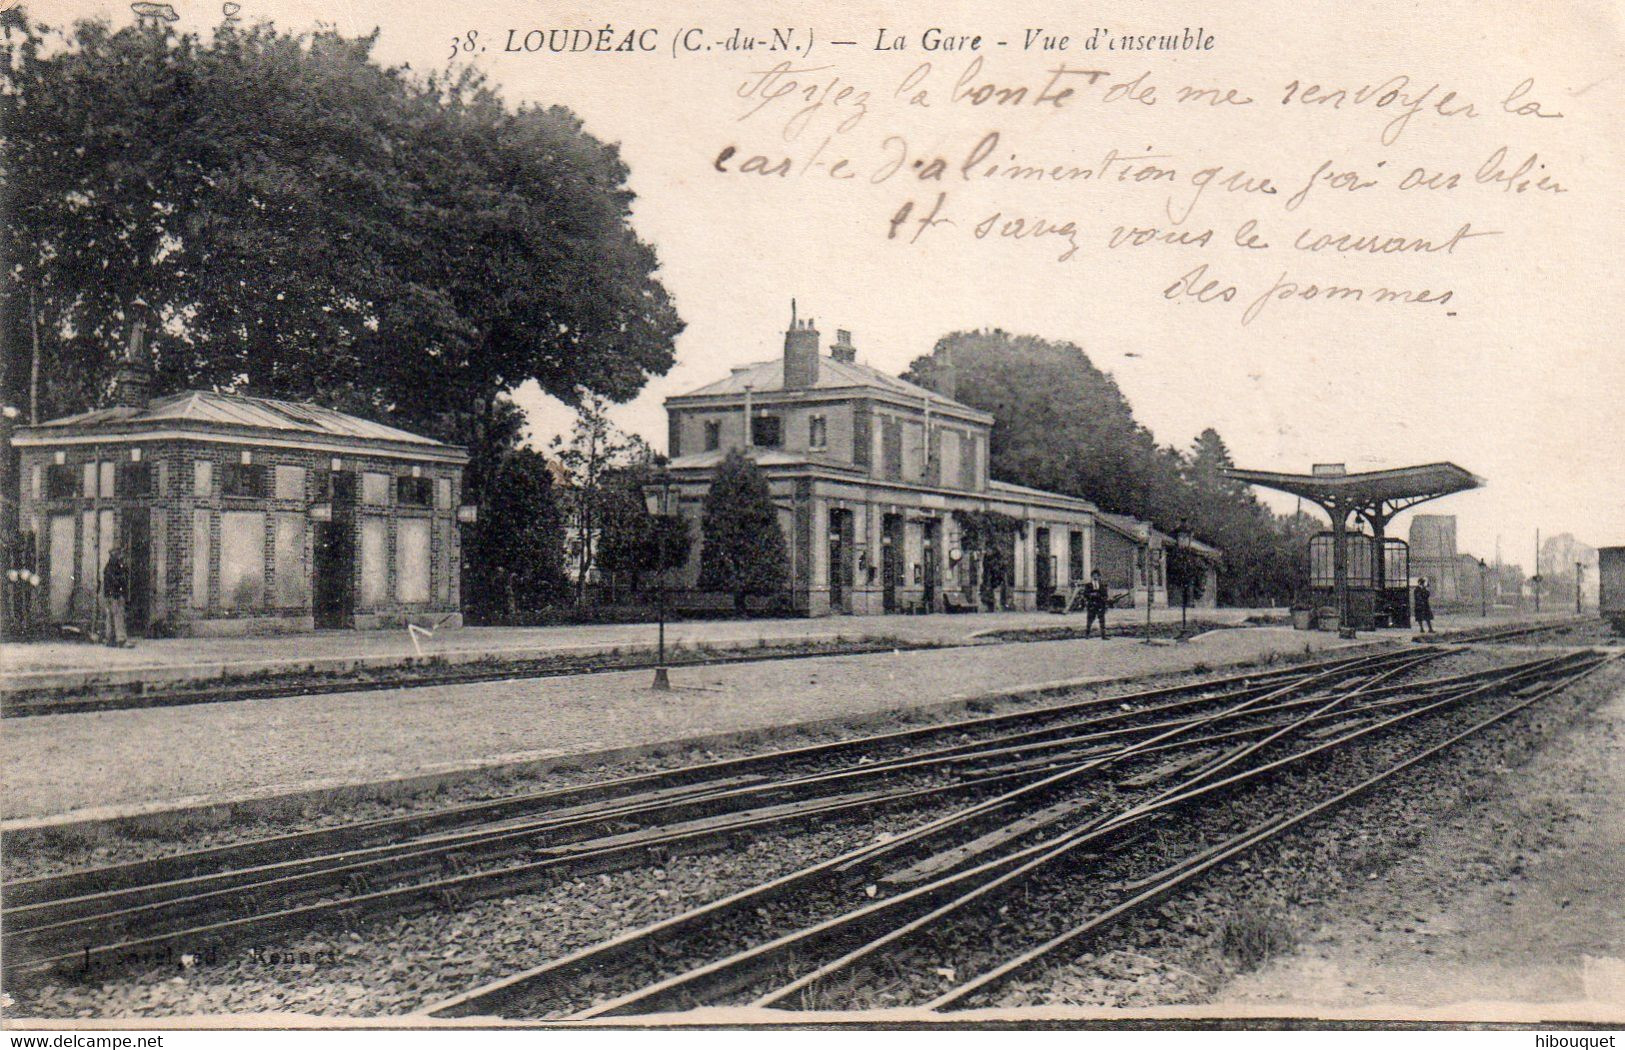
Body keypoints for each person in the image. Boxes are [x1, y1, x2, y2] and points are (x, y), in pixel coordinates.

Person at [101, 550, 131, 648]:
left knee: (110, 617)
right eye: (119, 556)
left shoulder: (108, 567)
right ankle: (121, 639)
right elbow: (118, 581)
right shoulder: (116, 568)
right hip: (115, 595)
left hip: (109, 595)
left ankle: (110, 639)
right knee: (118, 616)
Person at [1083, 570, 1110, 640]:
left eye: (1097, 576)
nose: (1095, 577)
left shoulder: (1102, 585)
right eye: (1094, 575)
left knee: (1102, 620)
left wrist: (1103, 599)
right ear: (1091, 577)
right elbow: (1085, 594)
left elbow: (1105, 595)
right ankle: (1087, 634)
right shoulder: (1088, 585)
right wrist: (1091, 595)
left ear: (1099, 577)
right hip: (1092, 604)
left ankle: (1103, 636)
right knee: (1089, 620)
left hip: (1100, 605)